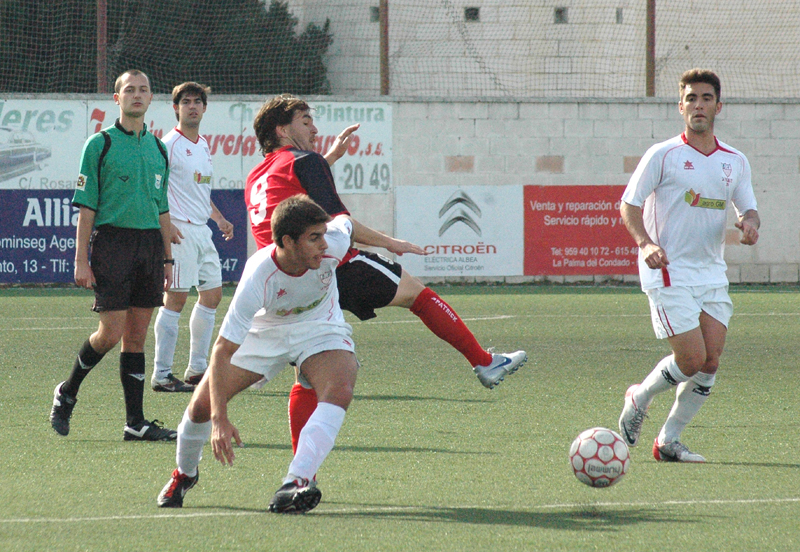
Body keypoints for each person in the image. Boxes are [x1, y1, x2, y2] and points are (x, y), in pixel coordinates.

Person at [244, 94, 527, 454]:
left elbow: (294, 198)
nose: (314, 128)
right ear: (283, 129)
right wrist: (390, 242)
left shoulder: (257, 174)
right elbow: (337, 223)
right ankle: (485, 363)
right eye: (305, 121)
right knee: (416, 294)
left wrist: (327, 159)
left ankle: (299, 469)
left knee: (308, 372)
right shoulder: (306, 161)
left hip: (283, 283)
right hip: (330, 267)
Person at [157, 195, 361, 513]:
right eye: (313, 238)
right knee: (199, 407)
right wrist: (219, 419)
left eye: (323, 234)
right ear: (287, 241)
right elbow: (222, 350)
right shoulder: (258, 274)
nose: (324, 244)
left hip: (320, 326)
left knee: (340, 389)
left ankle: (296, 482)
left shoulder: (332, 243)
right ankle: (184, 474)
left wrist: (392, 242)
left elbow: (347, 224)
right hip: (266, 331)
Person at [618, 69, 760, 463]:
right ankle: (639, 397)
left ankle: (668, 441)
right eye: (691, 98)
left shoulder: (735, 160)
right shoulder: (662, 155)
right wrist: (645, 242)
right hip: (668, 270)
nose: (699, 105)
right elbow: (628, 205)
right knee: (691, 360)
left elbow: (748, 207)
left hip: (710, 273)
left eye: (706, 98)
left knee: (711, 361)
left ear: (718, 105)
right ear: (680, 106)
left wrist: (750, 223)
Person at [49, 69, 178, 441]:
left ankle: (135, 423)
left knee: (137, 336)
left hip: (150, 247)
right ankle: (67, 392)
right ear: (116, 99)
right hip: (113, 245)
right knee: (111, 332)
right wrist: (80, 259)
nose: (137, 95)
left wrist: (167, 259)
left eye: (143, 90)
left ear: (151, 98)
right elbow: (87, 209)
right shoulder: (100, 144)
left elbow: (163, 208)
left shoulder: (158, 148)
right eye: (129, 90)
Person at [151, 82, 234, 393]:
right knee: (175, 299)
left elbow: (201, 192)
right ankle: (161, 374)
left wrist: (220, 218)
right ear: (176, 108)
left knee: (212, 296)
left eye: (198, 101)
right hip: (180, 230)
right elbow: (155, 188)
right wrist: (166, 225)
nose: (192, 106)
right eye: (186, 102)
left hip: (203, 230)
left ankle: (197, 369)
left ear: (204, 108)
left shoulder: (203, 145)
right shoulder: (168, 145)